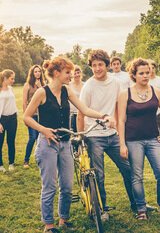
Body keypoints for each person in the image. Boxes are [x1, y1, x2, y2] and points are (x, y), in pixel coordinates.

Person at [23, 57, 111, 233]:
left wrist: (103, 116)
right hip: (47, 145)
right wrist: (44, 130)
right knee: (49, 186)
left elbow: (84, 109)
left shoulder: (66, 91)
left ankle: (63, 219)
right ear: (57, 73)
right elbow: (26, 117)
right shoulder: (42, 92)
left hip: (65, 143)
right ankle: (49, 225)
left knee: (67, 185)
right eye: (67, 72)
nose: (70, 75)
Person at [77, 49, 135, 220]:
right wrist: (82, 138)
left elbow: (118, 107)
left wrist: (118, 128)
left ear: (107, 65)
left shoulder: (116, 83)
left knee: (128, 169)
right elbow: (81, 113)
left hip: (112, 135)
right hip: (94, 136)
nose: (97, 68)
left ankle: (137, 204)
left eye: (100, 65)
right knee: (98, 175)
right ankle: (101, 209)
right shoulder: (88, 86)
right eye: (94, 65)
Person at [118, 58, 160, 220]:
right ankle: (141, 209)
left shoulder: (156, 92)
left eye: (147, 72)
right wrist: (122, 144)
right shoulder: (125, 94)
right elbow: (121, 120)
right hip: (133, 141)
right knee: (137, 176)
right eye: (141, 73)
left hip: (153, 140)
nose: (145, 76)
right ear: (134, 75)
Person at [23, 64, 46, 169]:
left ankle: (39, 160)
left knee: (40, 139)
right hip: (31, 116)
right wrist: (25, 117)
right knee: (32, 138)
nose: (37, 73)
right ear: (32, 73)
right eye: (35, 71)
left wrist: (40, 86)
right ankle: (26, 160)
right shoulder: (27, 85)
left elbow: (47, 98)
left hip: (41, 116)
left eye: (39, 71)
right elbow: (24, 102)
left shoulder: (44, 84)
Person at [0, 69, 17, 173]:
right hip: (2, 120)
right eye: (12, 78)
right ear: (5, 78)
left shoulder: (11, 89)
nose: (13, 80)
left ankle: (11, 163)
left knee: (11, 141)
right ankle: (0, 165)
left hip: (13, 118)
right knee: (0, 143)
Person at [69, 65, 84, 132]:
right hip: (72, 114)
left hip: (82, 113)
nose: (77, 75)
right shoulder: (68, 85)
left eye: (78, 73)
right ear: (72, 75)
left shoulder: (85, 85)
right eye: (75, 73)